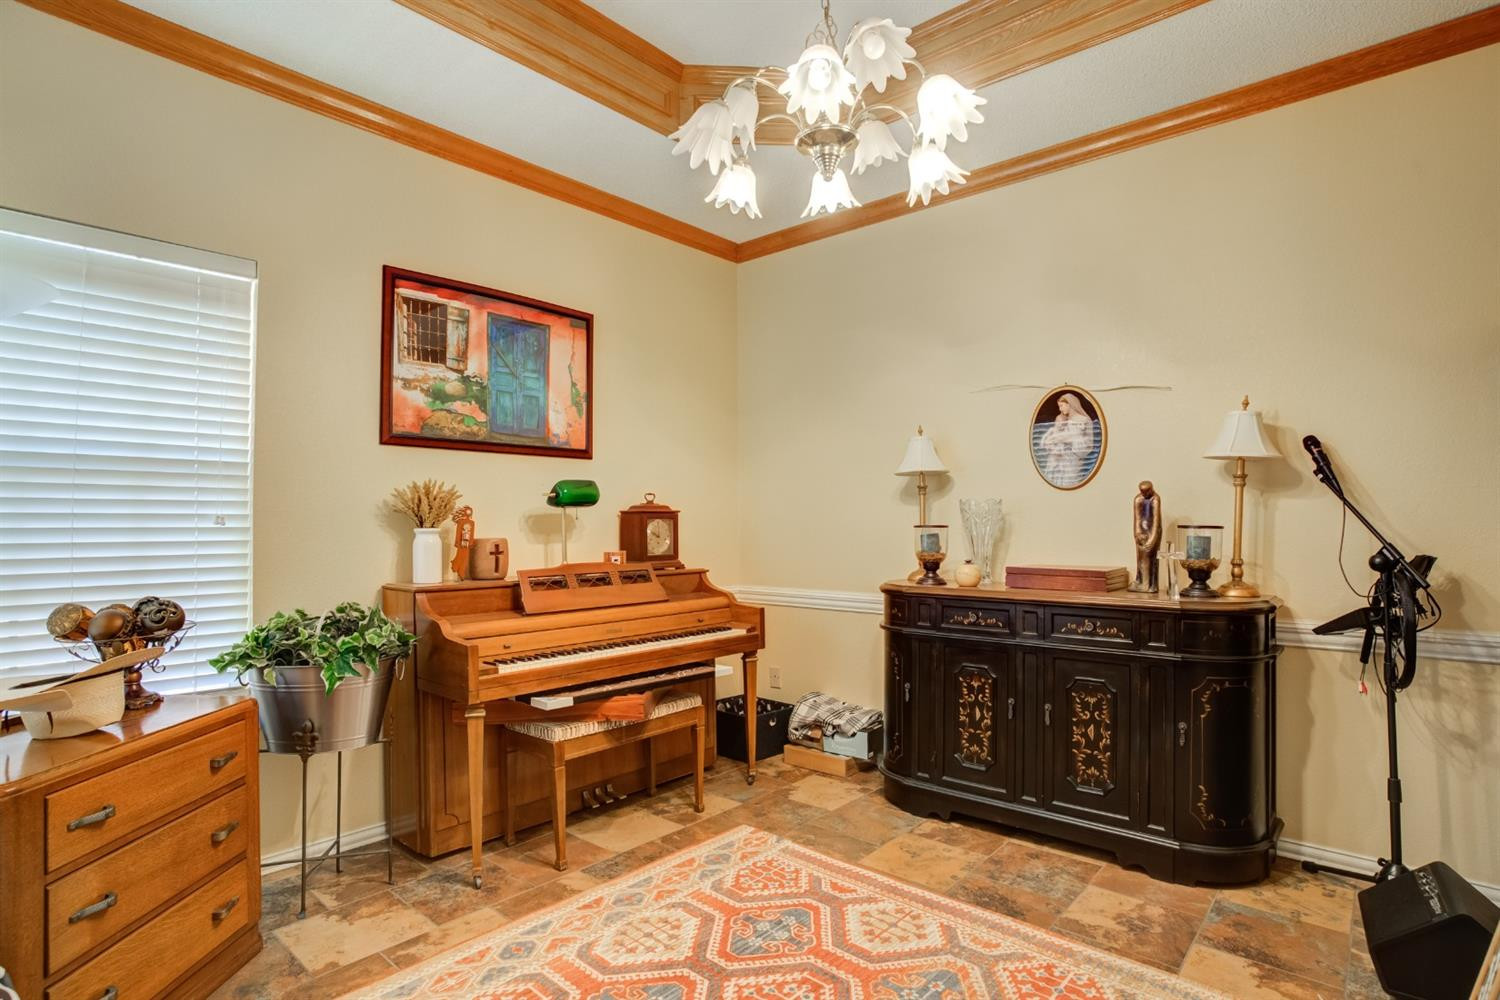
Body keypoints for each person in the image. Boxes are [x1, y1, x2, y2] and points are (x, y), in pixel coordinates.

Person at [1038, 392, 1095, 486]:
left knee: (1071, 483)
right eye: (1059, 407)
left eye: (1062, 406)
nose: (1060, 409)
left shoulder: (1084, 420)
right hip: (1060, 461)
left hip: (1073, 461)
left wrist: (1068, 439)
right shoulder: (1063, 419)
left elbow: (1088, 445)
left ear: (1070, 404)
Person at [1131, 481, 1162, 592]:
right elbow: (1137, 519)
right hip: (1141, 532)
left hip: (1153, 531)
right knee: (1140, 557)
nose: (1144, 495)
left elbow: (1156, 522)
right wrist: (1137, 534)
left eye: (1146, 492)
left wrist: (1153, 538)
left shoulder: (1156, 499)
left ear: (1151, 489)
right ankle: (1141, 581)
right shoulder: (1138, 499)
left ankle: (1150, 585)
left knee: (1151, 557)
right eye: (1142, 492)